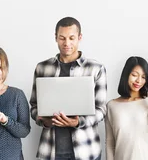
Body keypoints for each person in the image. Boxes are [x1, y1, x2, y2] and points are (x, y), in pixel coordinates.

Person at [30, 16, 107, 160]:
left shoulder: (96, 69)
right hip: (50, 151)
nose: (67, 43)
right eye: (62, 38)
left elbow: (101, 110)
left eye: (72, 38)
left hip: (86, 151)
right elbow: (34, 106)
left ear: (79, 37)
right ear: (56, 37)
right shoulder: (42, 68)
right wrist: (44, 120)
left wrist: (78, 122)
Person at [105, 56, 148, 160]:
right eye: (134, 75)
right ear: (126, 75)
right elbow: (110, 143)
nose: (139, 80)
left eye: (143, 77)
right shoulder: (112, 106)